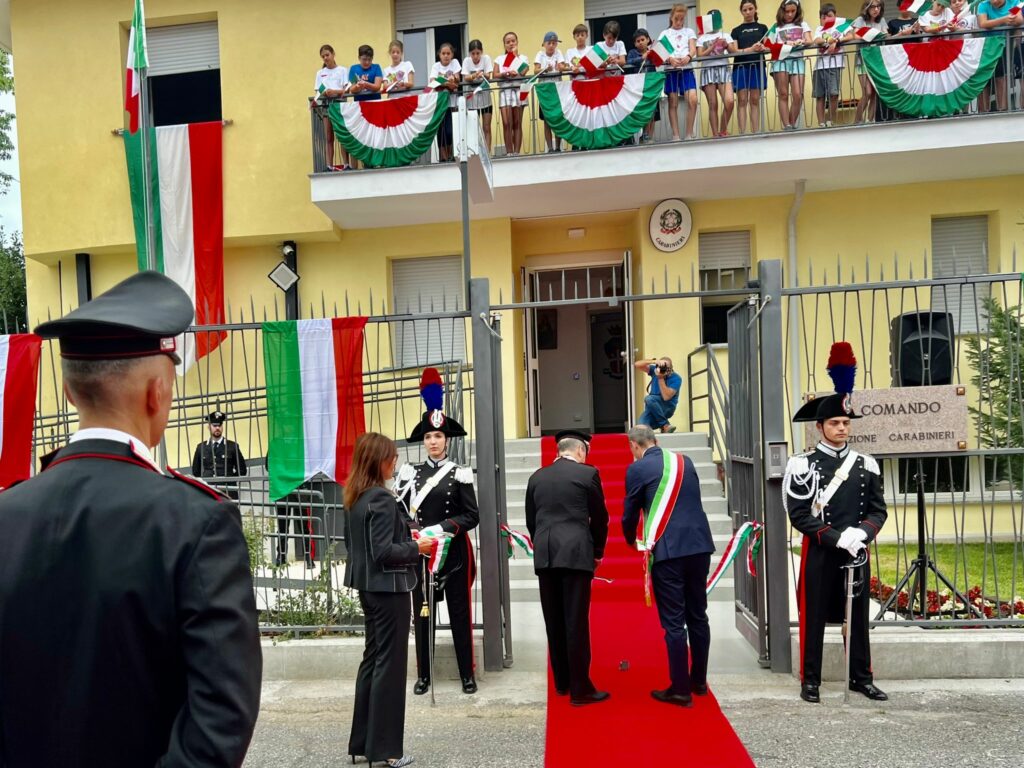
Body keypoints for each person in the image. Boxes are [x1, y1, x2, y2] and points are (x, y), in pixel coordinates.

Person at [0, 271, 262, 766]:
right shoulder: (197, 524)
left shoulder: (6, 515)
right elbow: (220, 721)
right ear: (157, 393)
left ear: (70, 392)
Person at [784, 342, 888, 704]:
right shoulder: (802, 464)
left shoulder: (867, 464)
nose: (842, 428)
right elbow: (798, 515)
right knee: (813, 616)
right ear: (820, 427)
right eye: (835, 423)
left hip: (856, 550)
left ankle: (861, 676)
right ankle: (810, 680)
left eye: (846, 423)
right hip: (821, 551)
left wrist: (862, 533)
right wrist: (834, 537)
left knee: (858, 616)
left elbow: (878, 510)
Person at [344, 432, 433, 767]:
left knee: (372, 661)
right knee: (390, 668)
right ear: (378, 460)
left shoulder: (355, 496)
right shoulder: (380, 499)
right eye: (391, 457)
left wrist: (402, 536)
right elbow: (383, 552)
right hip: (389, 589)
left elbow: (357, 548)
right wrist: (416, 548)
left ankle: (362, 743)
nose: (394, 463)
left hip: (368, 587)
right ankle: (386, 750)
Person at [394, 368, 481, 696]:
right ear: (424, 440)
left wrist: (443, 528)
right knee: (422, 614)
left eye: (439, 437)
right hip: (422, 552)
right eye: (429, 437)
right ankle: (424, 675)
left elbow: (471, 515)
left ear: (447, 440)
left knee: (460, 613)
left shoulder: (459, 473)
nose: (433, 442)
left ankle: (466, 674)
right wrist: (415, 531)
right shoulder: (408, 474)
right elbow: (399, 512)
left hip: (453, 553)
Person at [622, 424, 716, 707]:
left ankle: (679, 689)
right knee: (698, 615)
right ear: (656, 440)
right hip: (699, 545)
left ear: (634, 447)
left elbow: (630, 512)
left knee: (674, 622)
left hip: (668, 551)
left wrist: (631, 540)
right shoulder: (684, 461)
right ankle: (698, 681)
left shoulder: (637, 469)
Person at [525, 428, 610, 706]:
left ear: (558, 451)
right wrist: (597, 550)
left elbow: (531, 519)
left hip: (546, 553)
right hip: (575, 553)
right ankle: (580, 688)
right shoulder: (588, 474)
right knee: (575, 621)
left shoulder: (537, 476)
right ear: (581, 451)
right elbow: (599, 518)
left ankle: (561, 681)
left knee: (554, 620)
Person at [770, 0, 813, 130]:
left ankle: (792, 123)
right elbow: (769, 45)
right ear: (782, 11)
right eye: (787, 11)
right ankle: (787, 125)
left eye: (793, 11)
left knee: (798, 94)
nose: (790, 14)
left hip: (797, 60)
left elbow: (810, 41)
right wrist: (785, 44)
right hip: (781, 61)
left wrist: (801, 42)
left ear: (797, 10)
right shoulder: (776, 27)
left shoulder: (803, 24)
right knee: (783, 94)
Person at [660, 4, 700, 140]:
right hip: (671, 70)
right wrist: (670, 58)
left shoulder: (689, 31)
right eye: (676, 19)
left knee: (693, 99)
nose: (679, 22)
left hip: (686, 69)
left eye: (681, 19)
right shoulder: (664, 33)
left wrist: (688, 57)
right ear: (671, 17)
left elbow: (693, 49)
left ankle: (689, 133)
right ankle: (676, 135)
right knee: (673, 102)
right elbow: (661, 51)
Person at [731, 0, 770, 134]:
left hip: (757, 67)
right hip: (740, 67)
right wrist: (751, 49)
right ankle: (742, 132)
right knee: (742, 100)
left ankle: (756, 132)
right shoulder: (736, 30)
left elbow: (769, 46)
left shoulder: (763, 27)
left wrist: (763, 47)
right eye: (745, 10)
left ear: (755, 9)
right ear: (741, 11)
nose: (747, 12)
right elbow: (734, 50)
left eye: (750, 9)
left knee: (754, 100)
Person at [977, 0, 1023, 114]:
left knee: (1001, 77)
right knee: (983, 79)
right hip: (985, 47)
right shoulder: (983, 5)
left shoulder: (1014, 2)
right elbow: (982, 23)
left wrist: (993, 22)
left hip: (1004, 45)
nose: (994, 1)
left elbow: (1018, 20)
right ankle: (983, 112)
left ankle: (1002, 110)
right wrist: (1003, 20)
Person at [697, 10, 737, 137]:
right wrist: (711, 47)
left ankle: (722, 129)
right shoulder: (702, 38)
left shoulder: (725, 34)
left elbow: (733, 52)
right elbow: (699, 56)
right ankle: (715, 134)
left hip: (723, 69)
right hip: (708, 70)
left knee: (729, 101)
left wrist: (726, 45)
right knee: (713, 104)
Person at [191, 408, 248, 499]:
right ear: (209, 427)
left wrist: (229, 480)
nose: (217, 428)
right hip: (209, 491)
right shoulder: (201, 447)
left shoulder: (232, 446)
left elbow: (242, 470)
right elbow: (195, 471)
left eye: (220, 425)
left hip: (228, 492)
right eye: (214, 425)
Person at [812, 4, 852, 129]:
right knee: (820, 95)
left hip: (835, 64)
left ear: (835, 16)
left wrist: (837, 41)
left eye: (829, 16)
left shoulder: (841, 27)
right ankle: (821, 123)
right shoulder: (820, 28)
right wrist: (827, 41)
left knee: (833, 94)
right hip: (820, 66)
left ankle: (830, 120)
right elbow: (817, 40)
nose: (826, 19)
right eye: (823, 17)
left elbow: (851, 36)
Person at [314, 43, 350, 171]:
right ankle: (329, 165)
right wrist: (325, 92)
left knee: (342, 135)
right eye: (323, 56)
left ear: (333, 54)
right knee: (329, 137)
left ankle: (346, 164)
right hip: (326, 106)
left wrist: (335, 92)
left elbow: (347, 89)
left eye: (327, 55)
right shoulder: (320, 73)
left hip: (339, 105)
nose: (325, 58)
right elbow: (318, 90)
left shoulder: (342, 70)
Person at [852, 1, 888, 125]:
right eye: (873, 6)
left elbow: (886, 35)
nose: (876, 9)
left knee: (874, 92)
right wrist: (871, 34)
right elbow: (855, 35)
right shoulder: (861, 20)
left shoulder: (881, 20)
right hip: (862, 59)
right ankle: (858, 120)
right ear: (867, 8)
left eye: (878, 7)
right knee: (867, 92)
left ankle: (870, 120)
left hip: (876, 60)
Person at [494, 31, 528, 156]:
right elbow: (495, 74)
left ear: (517, 42)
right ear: (504, 44)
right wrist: (504, 74)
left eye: (513, 41)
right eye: (508, 42)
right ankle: (509, 152)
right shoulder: (499, 59)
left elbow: (524, 71)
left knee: (517, 122)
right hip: (505, 92)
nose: (511, 43)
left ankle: (517, 153)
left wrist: (515, 56)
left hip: (519, 91)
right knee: (507, 122)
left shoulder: (523, 58)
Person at [627, 28, 661, 142]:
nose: (640, 42)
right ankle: (639, 136)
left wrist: (654, 53)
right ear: (635, 44)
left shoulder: (652, 51)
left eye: (642, 39)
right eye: (638, 41)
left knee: (652, 110)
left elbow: (660, 61)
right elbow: (629, 61)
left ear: (648, 40)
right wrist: (642, 57)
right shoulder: (632, 52)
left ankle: (648, 136)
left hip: (651, 85)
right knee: (641, 111)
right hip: (638, 87)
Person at [430, 42, 462, 162]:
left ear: (452, 54)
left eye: (448, 53)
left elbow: (457, 80)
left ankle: (450, 154)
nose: (446, 56)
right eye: (443, 53)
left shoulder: (455, 63)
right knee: (441, 131)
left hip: (452, 103)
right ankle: (443, 157)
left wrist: (445, 83)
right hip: (440, 104)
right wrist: (448, 83)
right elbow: (433, 82)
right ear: (439, 55)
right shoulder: (436, 66)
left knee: (450, 131)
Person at [535, 31, 566, 153]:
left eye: (554, 43)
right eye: (549, 43)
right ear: (544, 44)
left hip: (557, 90)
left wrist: (561, 67)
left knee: (558, 117)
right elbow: (535, 69)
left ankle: (558, 146)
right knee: (547, 120)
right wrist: (544, 69)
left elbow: (562, 66)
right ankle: (550, 147)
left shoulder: (558, 53)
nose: (552, 45)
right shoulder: (540, 54)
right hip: (545, 91)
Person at [634, 355, 683, 433]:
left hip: (667, 407)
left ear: (671, 368)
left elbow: (666, 397)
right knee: (640, 427)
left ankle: (665, 425)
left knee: (649, 398)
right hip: (653, 407)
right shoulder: (655, 371)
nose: (663, 369)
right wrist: (654, 361)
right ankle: (664, 427)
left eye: (666, 367)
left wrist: (660, 378)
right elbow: (637, 364)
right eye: (661, 366)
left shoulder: (676, 378)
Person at [463, 39, 494, 152]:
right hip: (472, 97)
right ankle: (477, 152)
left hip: (485, 95)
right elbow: (465, 77)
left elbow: (489, 75)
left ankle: (488, 152)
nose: (475, 56)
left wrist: (482, 74)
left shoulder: (486, 59)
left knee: (486, 127)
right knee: (474, 128)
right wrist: (474, 75)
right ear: (469, 53)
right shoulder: (466, 61)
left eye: (478, 53)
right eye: (473, 54)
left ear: (481, 52)